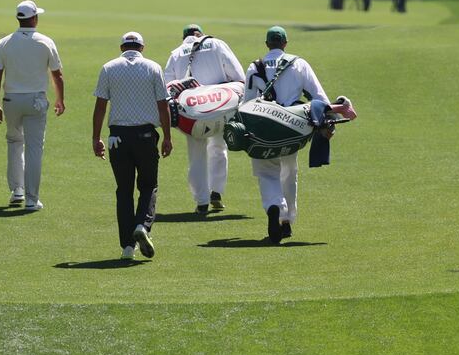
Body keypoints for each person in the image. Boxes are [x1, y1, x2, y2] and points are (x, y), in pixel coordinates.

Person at [245, 26, 338, 243]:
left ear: (267, 44)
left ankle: (274, 207)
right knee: (289, 171)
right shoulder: (299, 63)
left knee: (267, 174)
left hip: (262, 129)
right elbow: (320, 98)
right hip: (291, 128)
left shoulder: (254, 66)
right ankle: (286, 222)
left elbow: (246, 103)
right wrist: (330, 121)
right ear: (285, 43)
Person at [92, 31, 172, 261]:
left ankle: (127, 247)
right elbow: (162, 106)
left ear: (122, 48)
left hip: (118, 138)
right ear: (142, 47)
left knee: (123, 191)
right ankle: (142, 226)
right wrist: (167, 137)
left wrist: (96, 138)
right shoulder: (153, 68)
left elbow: (100, 107)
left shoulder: (109, 68)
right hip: (146, 137)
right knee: (148, 186)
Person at [0, 0, 64, 209]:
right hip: (36, 101)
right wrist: (60, 99)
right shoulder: (45, 41)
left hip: (11, 100)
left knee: (14, 142)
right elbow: (57, 75)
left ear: (18, 19)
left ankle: (17, 191)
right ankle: (31, 199)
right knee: (34, 149)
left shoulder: (5, 42)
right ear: (35, 19)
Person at [163, 24, 243, 213]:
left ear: (184, 38)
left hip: (192, 112)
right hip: (221, 106)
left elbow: (167, 87)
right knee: (219, 148)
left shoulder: (176, 53)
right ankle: (216, 191)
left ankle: (202, 200)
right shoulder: (217, 44)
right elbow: (239, 77)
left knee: (196, 156)